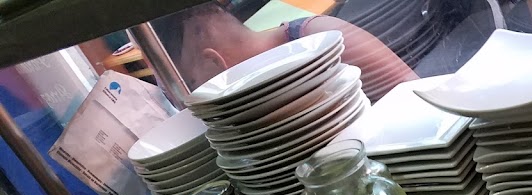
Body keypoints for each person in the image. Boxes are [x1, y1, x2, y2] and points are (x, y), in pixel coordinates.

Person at [154, 3, 417, 102]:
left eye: (191, 85)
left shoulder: (320, 37)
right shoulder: (252, 98)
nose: (193, 101)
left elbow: (414, 92)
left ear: (214, 61)